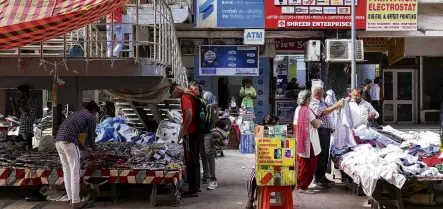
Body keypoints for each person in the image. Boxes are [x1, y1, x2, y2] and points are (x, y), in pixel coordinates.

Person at [55, 101, 99, 208]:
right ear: (93, 110)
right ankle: (76, 202)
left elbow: (76, 134)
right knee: (75, 171)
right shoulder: (91, 117)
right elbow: (91, 135)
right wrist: (94, 148)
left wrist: (83, 147)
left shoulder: (77, 114)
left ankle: (71, 199)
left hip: (58, 142)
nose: (95, 115)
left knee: (67, 171)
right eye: (95, 113)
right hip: (69, 142)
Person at [170, 83, 200, 197]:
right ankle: (196, 186)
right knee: (195, 160)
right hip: (197, 131)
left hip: (191, 132)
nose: (175, 96)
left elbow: (189, 114)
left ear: (178, 88)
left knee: (190, 161)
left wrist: (184, 130)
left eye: (174, 94)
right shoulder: (194, 93)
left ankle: (192, 190)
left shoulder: (185, 96)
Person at [310, 86, 344, 187]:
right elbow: (323, 112)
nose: (324, 94)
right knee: (321, 154)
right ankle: (318, 177)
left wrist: (339, 104)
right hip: (320, 131)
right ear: (317, 93)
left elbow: (330, 107)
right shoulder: (313, 103)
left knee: (325, 155)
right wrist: (337, 106)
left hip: (327, 131)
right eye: (322, 93)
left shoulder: (322, 102)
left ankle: (322, 175)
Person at [188, 81, 219, 191]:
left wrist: (214, 126)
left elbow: (215, 110)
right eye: (192, 89)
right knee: (203, 154)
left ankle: (213, 179)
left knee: (209, 153)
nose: (194, 90)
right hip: (199, 131)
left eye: (194, 88)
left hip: (208, 130)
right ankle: (206, 176)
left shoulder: (207, 95)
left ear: (198, 87)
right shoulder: (195, 98)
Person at [246, 114, 279, 209]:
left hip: (278, 168)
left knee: (291, 179)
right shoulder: (259, 135)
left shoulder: (282, 135)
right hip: (264, 167)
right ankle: (251, 199)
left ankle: (280, 198)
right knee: (252, 179)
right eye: (274, 125)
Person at [293, 90, 321, 194]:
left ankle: (299, 184)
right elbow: (316, 125)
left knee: (301, 163)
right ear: (308, 100)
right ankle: (303, 186)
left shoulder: (298, 109)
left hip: (300, 140)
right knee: (309, 165)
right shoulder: (308, 111)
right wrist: (319, 122)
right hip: (309, 141)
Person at [11, 85, 37, 150]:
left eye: (19, 92)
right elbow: (19, 118)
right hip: (21, 133)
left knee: (27, 154)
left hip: (27, 134)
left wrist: (23, 108)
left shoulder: (32, 102)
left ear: (25, 93)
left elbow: (30, 118)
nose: (18, 94)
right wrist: (14, 106)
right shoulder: (23, 102)